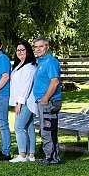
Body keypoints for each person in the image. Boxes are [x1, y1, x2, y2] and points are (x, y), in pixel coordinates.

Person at [32, 37, 62, 166]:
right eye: (36, 47)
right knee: (45, 129)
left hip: (49, 101)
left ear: (47, 47)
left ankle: (52, 157)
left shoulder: (50, 61)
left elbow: (54, 82)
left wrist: (45, 98)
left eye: (41, 46)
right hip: (42, 101)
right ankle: (49, 155)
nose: (38, 49)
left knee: (48, 130)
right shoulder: (41, 62)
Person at [9, 41, 38, 163]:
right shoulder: (20, 65)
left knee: (19, 127)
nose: (20, 52)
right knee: (29, 127)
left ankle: (22, 155)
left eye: (23, 50)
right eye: (18, 50)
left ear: (28, 51)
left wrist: (19, 102)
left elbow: (26, 86)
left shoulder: (30, 66)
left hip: (26, 101)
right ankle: (31, 155)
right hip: (23, 100)